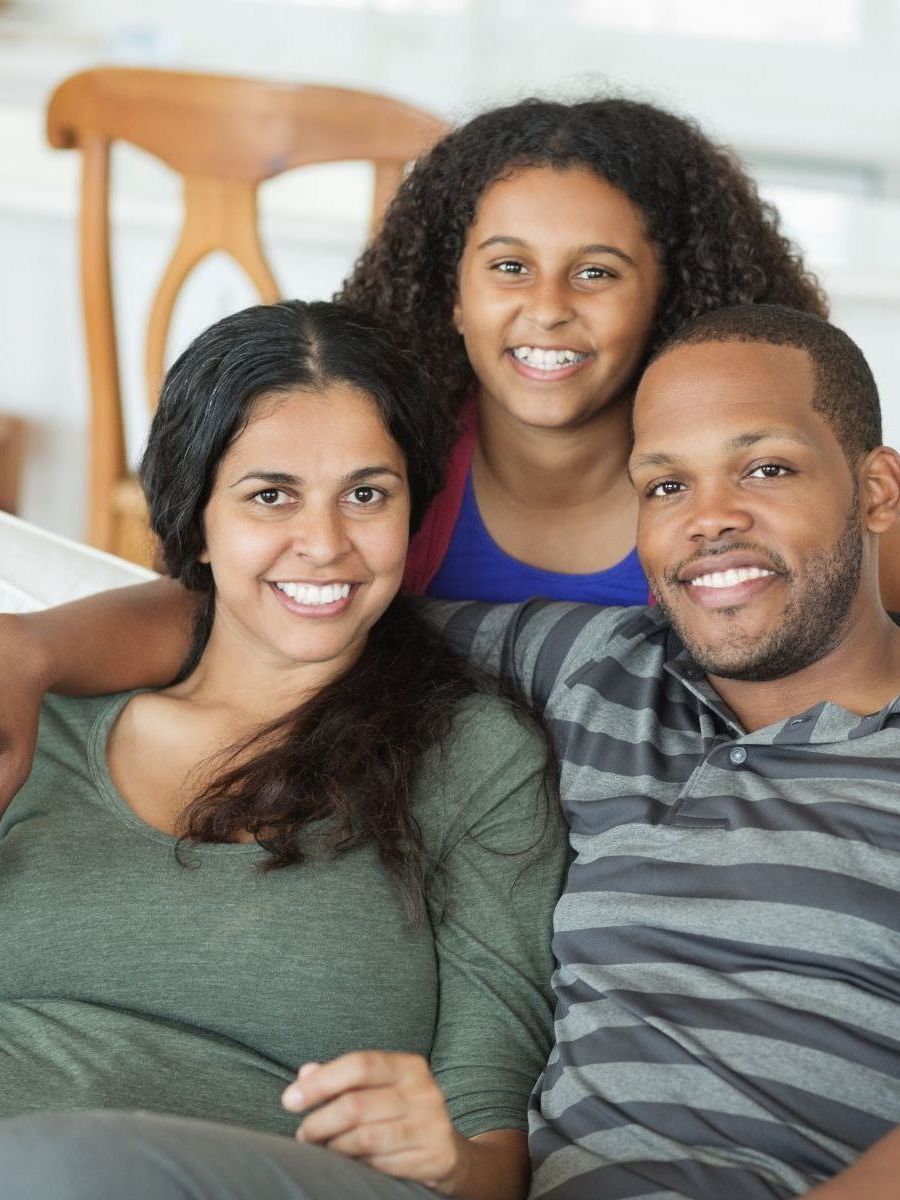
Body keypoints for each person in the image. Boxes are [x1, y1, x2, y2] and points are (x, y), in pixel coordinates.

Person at [8, 303, 900, 1199]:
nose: (711, 519)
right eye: (666, 485)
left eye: (767, 468)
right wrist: (30, 651)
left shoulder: (479, 752)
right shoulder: (601, 672)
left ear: (876, 490)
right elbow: (285, 610)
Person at [0, 300, 566, 1200]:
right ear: (196, 520)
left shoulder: (476, 761)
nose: (326, 543)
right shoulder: (39, 725)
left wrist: (443, 1158)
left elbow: (489, 1158)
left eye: (367, 494)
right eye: (272, 495)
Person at [340, 94, 900, 605]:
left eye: (595, 272)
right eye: (510, 267)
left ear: (669, 298)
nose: (548, 307)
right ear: (454, 294)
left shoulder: (793, 504)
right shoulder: (376, 469)